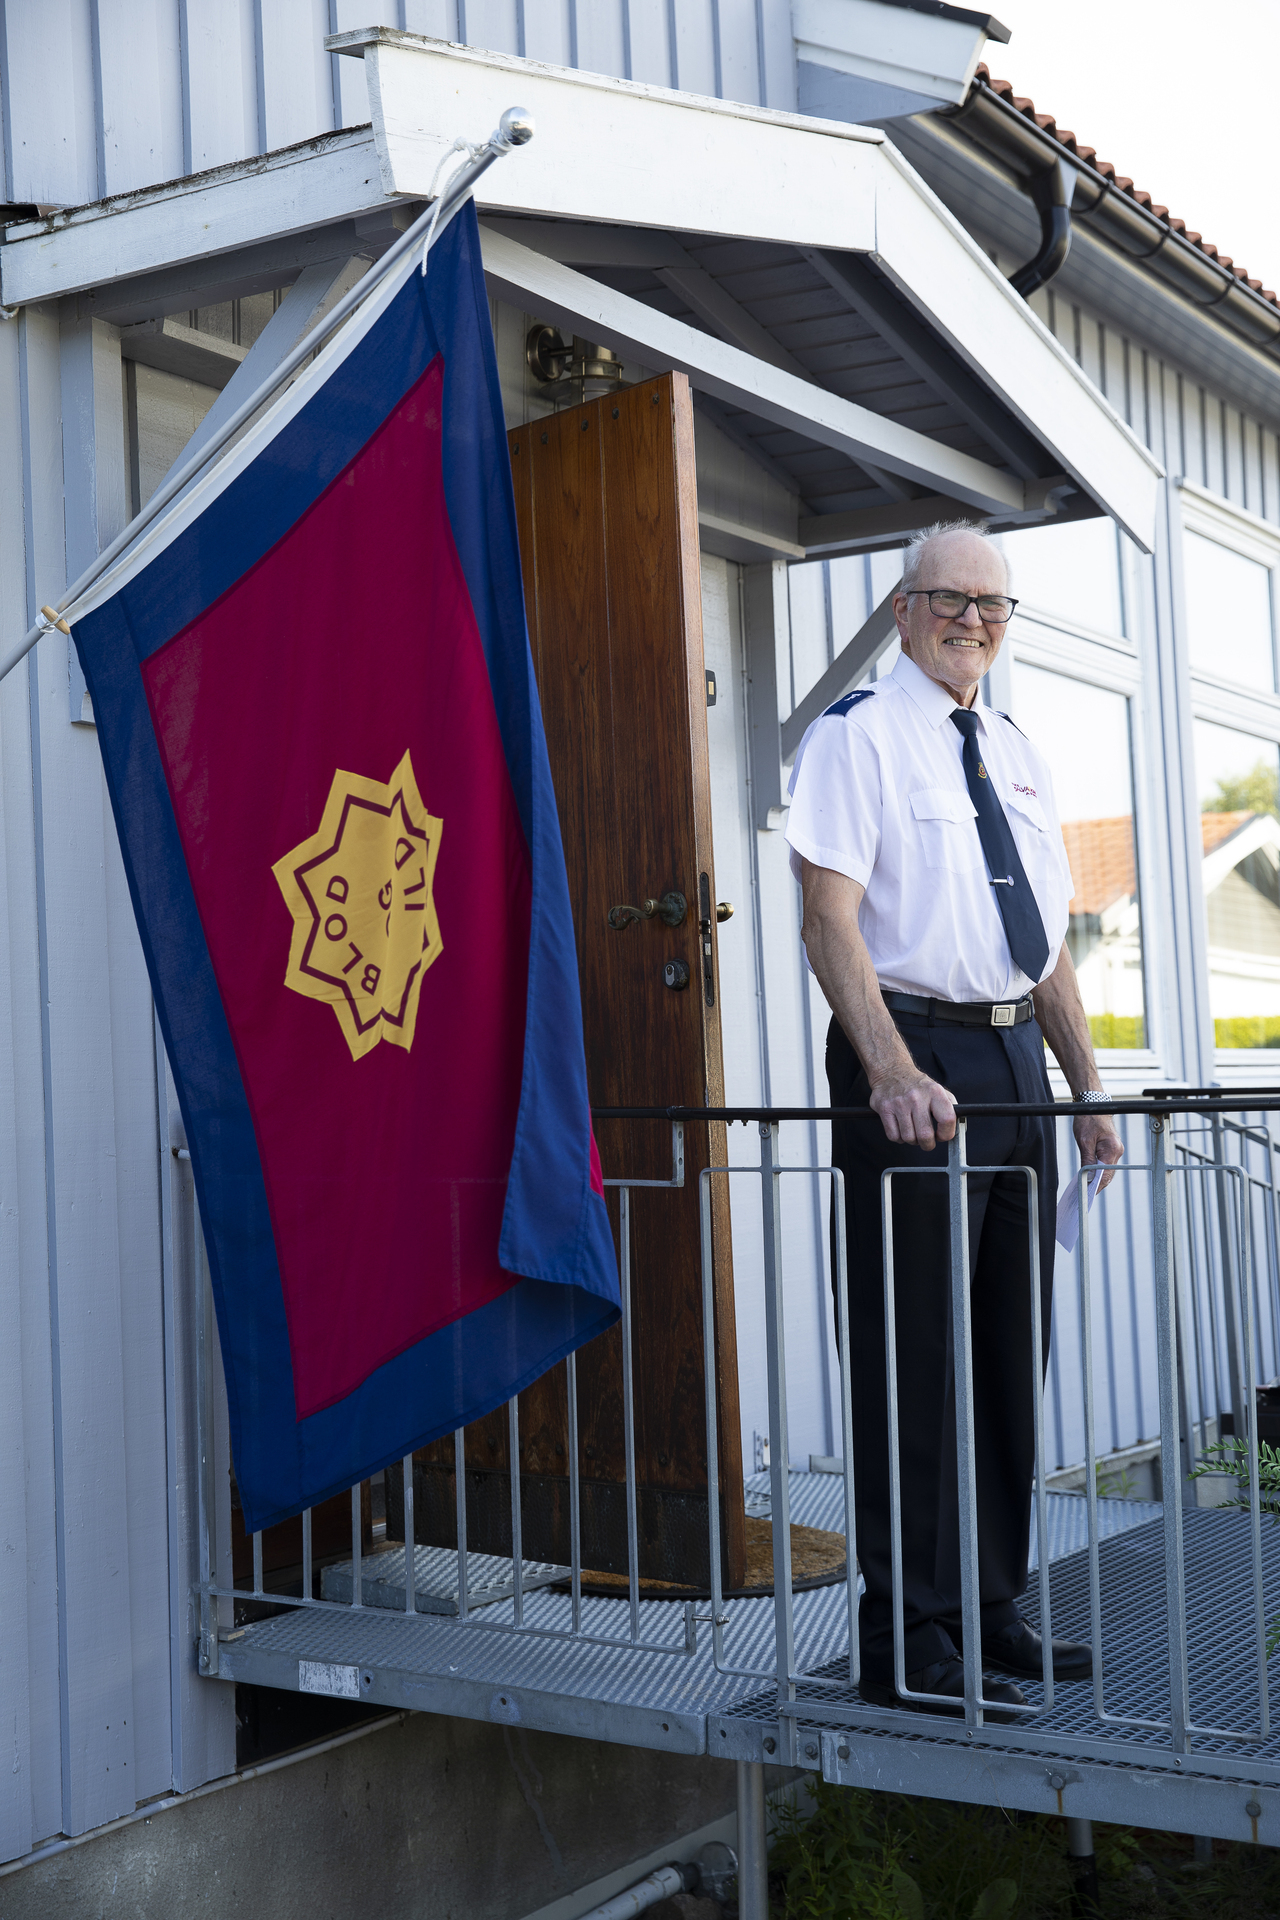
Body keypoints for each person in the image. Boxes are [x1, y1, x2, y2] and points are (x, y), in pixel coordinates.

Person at [785, 522, 1123, 1720]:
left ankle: (988, 1609)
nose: (972, 619)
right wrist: (883, 1068)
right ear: (902, 611)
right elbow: (829, 917)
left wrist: (1083, 1091)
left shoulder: (1018, 753)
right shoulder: (856, 739)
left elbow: (1044, 948)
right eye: (948, 599)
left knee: (1000, 1356)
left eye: (992, 604)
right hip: (913, 1056)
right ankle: (907, 1639)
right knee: (916, 1360)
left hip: (1014, 1061)